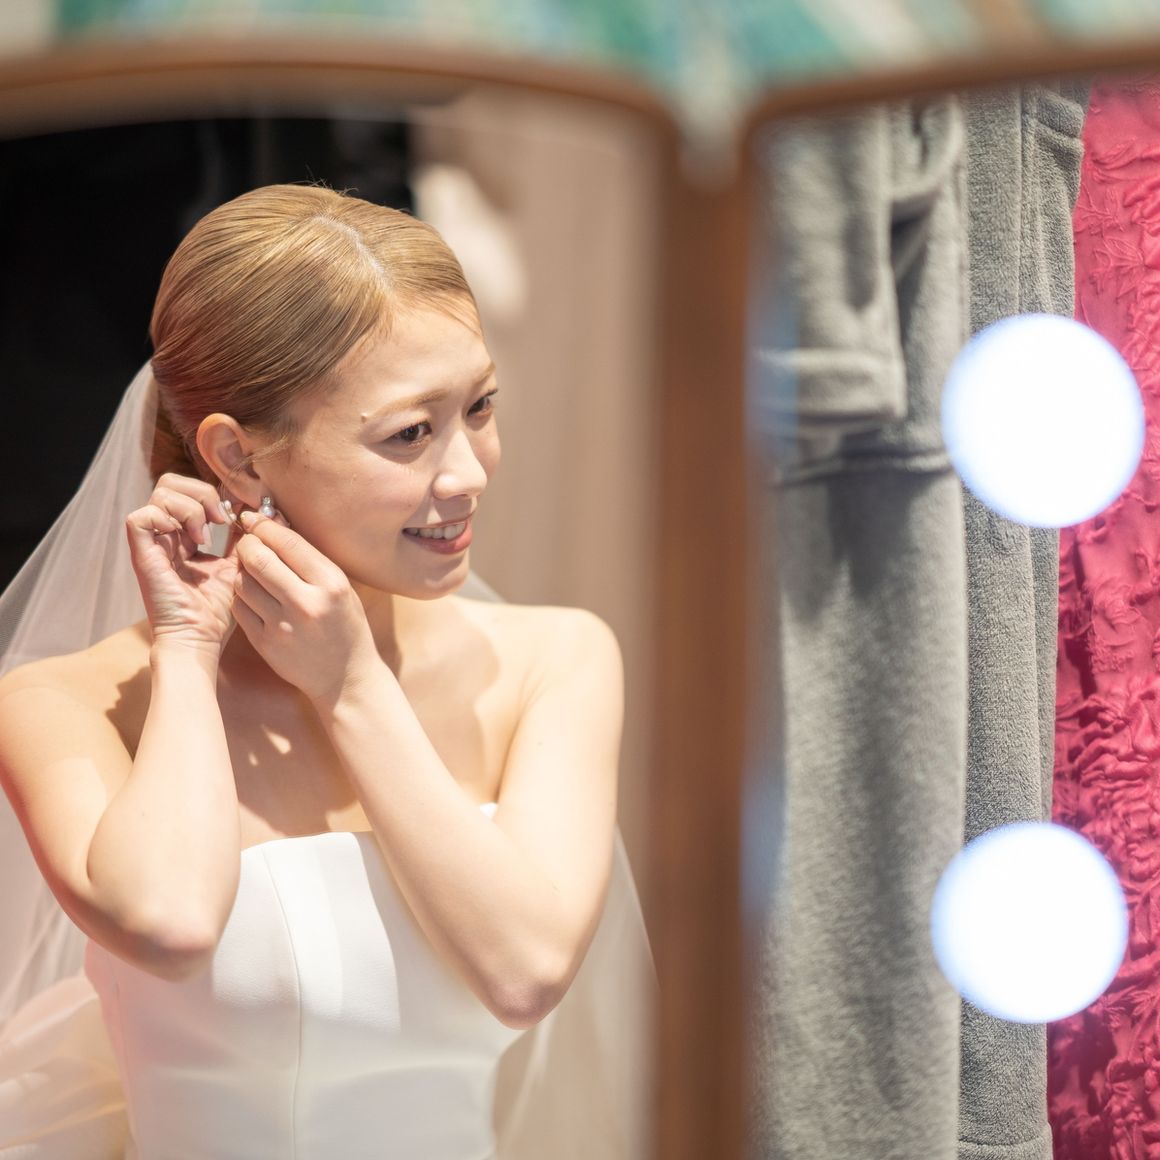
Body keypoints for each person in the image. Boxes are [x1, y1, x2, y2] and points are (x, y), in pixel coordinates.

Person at [0, 184, 652, 1159]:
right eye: (409, 434)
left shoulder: (555, 659)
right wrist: (185, 653)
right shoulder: (63, 701)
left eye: (478, 407)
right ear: (237, 457)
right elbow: (168, 921)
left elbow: (523, 970)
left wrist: (352, 688)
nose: (470, 471)